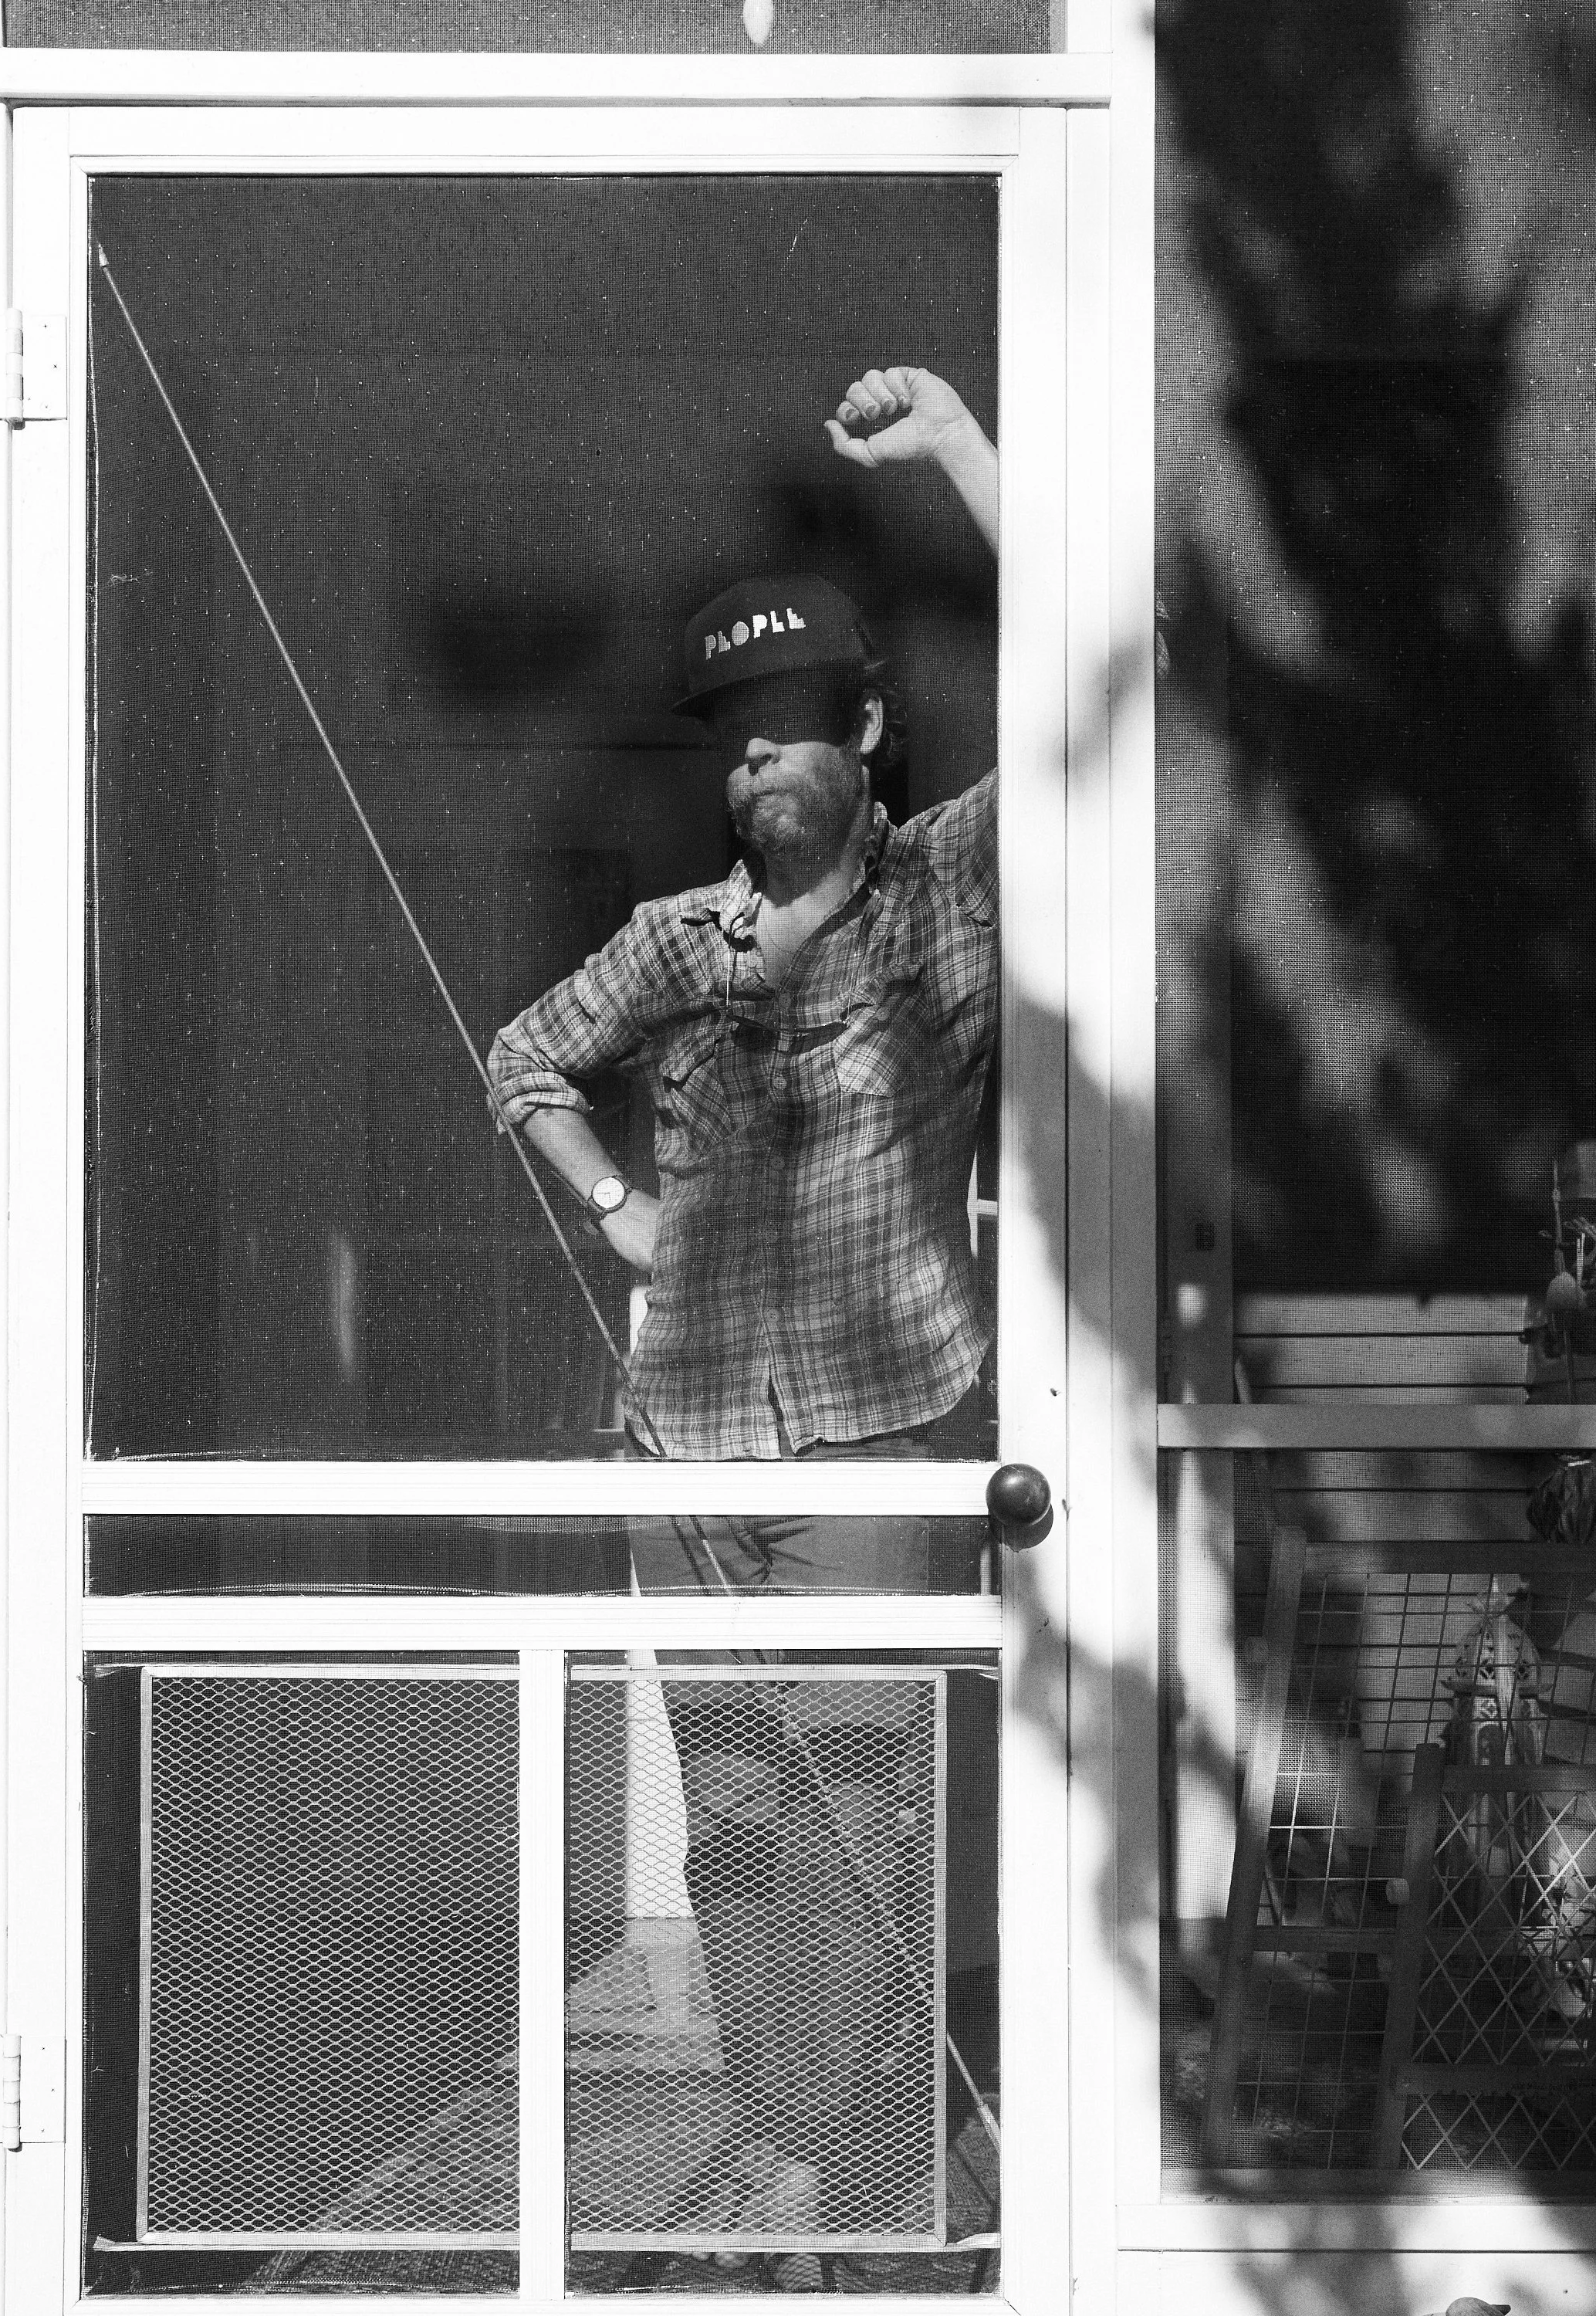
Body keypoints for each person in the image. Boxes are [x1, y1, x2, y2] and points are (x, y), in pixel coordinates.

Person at [488, 366, 999, 2286]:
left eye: (793, 720)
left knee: (861, 1806)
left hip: (874, 1434)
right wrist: (620, 1212)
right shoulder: (673, 944)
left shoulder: (947, 895)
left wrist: (960, 452)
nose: (759, 756)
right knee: (738, 1828)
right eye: (734, 736)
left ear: (865, 734)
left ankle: (821, 2170)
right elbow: (523, 1059)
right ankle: (815, 2147)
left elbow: (1123, 669)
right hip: (684, 1444)